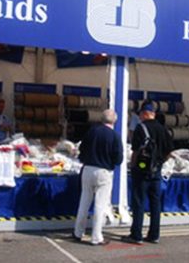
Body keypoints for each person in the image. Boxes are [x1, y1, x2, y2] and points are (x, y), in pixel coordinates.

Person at [123, 102, 173, 245]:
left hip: (141, 171)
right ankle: (154, 235)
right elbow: (170, 152)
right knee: (155, 204)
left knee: (138, 202)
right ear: (154, 114)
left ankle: (136, 235)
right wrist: (159, 162)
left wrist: (133, 166)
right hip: (156, 172)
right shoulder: (163, 130)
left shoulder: (141, 128)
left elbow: (135, 151)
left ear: (144, 113)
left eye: (140, 114)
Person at [73, 109, 123, 246]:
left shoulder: (91, 131)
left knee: (84, 201)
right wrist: (111, 163)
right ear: (114, 121)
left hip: (88, 168)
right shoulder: (114, 136)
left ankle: (78, 232)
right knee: (100, 205)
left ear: (101, 119)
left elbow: (81, 150)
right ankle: (96, 236)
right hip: (104, 171)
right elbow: (119, 158)